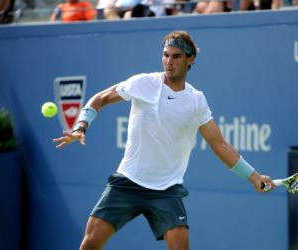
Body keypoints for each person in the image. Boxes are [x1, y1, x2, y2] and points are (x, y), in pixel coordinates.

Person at [53, 30, 276, 250]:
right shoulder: (144, 83)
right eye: (166, 55)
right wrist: (81, 126)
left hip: (167, 190)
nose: (169, 61)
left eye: (176, 56)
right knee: (90, 244)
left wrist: (255, 177)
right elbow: (100, 98)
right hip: (128, 182)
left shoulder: (197, 100)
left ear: (191, 59)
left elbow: (220, 145)